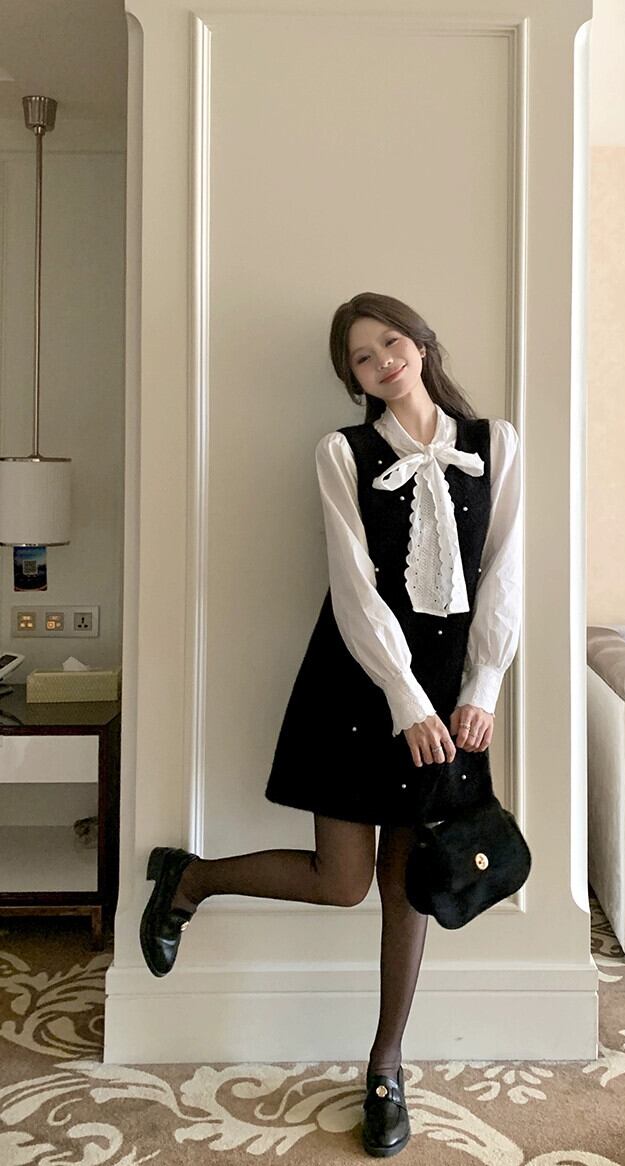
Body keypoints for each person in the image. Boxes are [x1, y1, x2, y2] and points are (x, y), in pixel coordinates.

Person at [139, 291, 523, 1158]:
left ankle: (385, 1067)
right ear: (351, 376)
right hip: (359, 682)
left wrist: (485, 686)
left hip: (454, 689)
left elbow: (505, 571)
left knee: (409, 885)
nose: (383, 361)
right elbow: (352, 587)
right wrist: (405, 699)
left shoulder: (495, 442)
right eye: (361, 356)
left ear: (421, 341)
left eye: (391, 342)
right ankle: (188, 880)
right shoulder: (341, 452)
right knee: (343, 881)